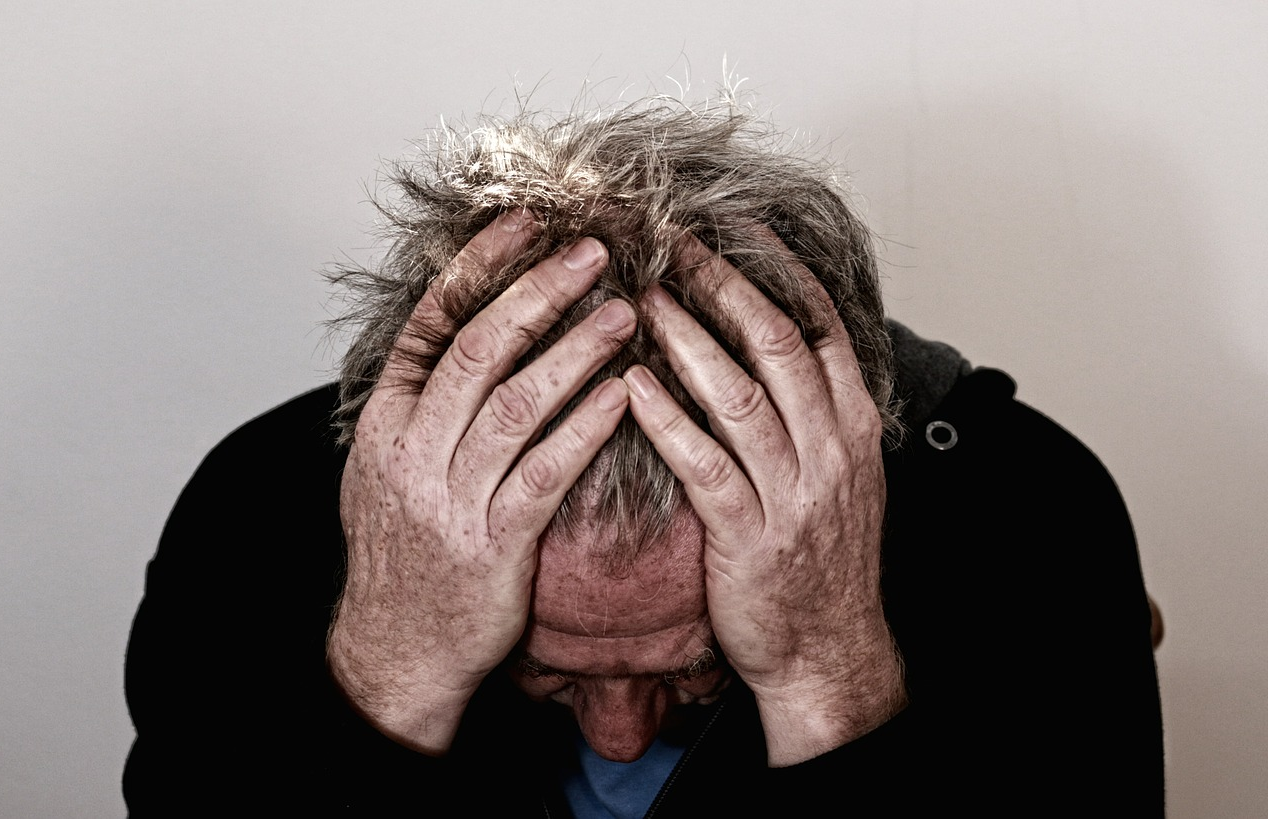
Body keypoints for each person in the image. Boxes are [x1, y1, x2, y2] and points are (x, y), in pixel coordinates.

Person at [124, 98, 1164, 816]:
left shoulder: (1031, 514)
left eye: (698, 666)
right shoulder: (256, 509)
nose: (619, 737)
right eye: (545, 671)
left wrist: (824, 677)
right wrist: (391, 678)